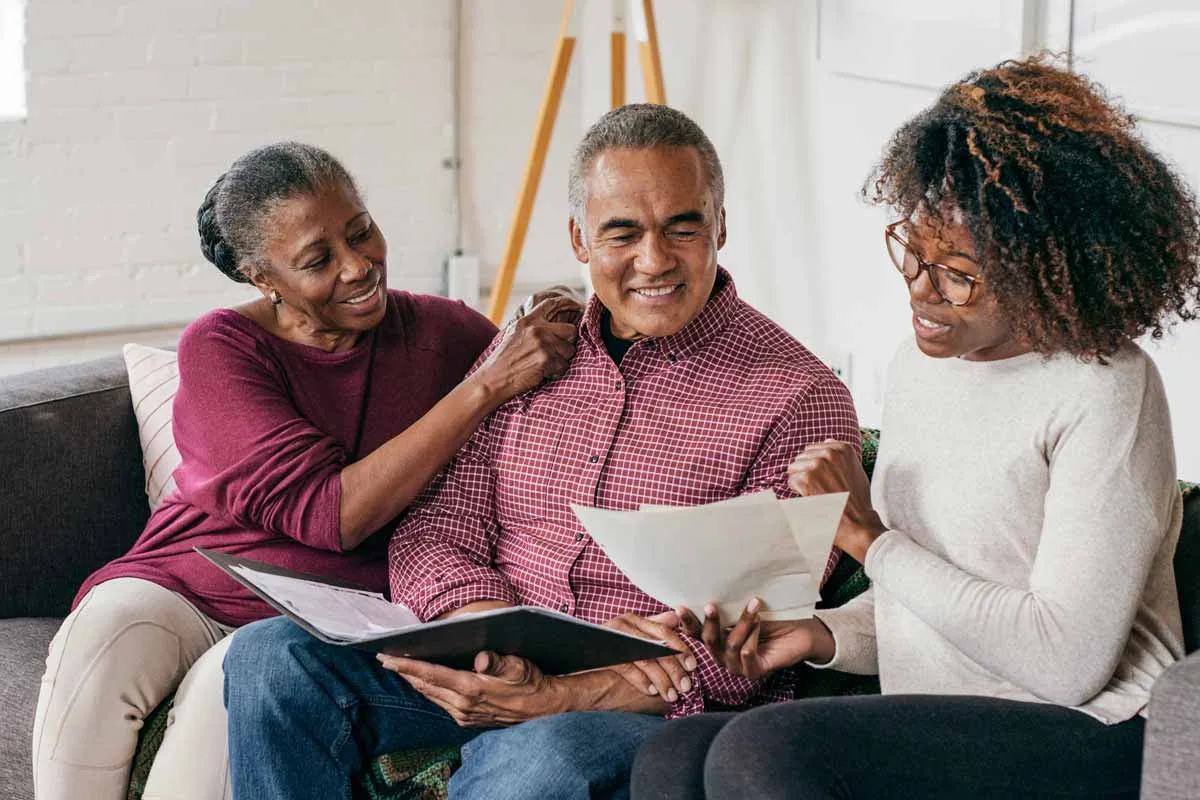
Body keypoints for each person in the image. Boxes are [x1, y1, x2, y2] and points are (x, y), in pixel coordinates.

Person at [222, 104, 860, 799]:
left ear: (721, 227)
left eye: (684, 226)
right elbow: (436, 530)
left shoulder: (800, 396)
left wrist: (565, 694)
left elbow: (756, 643)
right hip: (494, 664)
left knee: (541, 758)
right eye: (622, 232)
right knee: (271, 659)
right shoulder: (526, 354)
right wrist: (488, 647)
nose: (654, 260)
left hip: (647, 712)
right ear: (580, 240)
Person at [631, 55, 1200, 800]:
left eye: (959, 273)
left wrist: (870, 540)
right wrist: (824, 637)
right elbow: (932, 607)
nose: (922, 292)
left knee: (764, 755)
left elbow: (1065, 659)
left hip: (1093, 733)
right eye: (914, 254)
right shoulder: (918, 367)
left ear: (1043, 268)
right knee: (673, 755)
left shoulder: (1106, 391)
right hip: (944, 719)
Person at [31, 142, 579, 800]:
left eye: (361, 231)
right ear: (263, 277)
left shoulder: (443, 332)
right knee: (104, 637)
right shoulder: (224, 346)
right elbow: (331, 514)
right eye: (319, 260)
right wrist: (482, 387)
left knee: (230, 691)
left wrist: (562, 317)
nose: (358, 267)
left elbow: (547, 385)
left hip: (329, 619)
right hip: (191, 584)